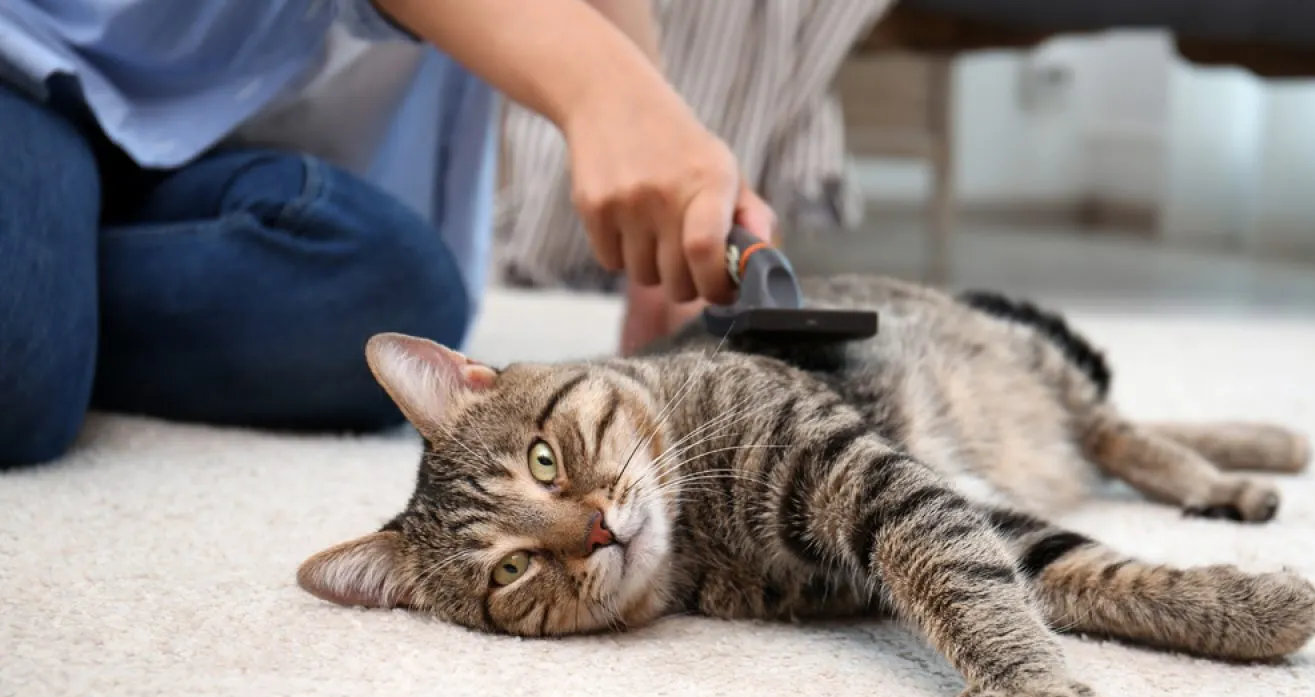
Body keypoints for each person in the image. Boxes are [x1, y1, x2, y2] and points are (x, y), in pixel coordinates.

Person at [0, 0, 775, 469]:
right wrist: (605, 94)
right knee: (17, 365)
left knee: (399, 297)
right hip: (24, 61)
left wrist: (665, 187)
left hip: (201, 135)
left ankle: (50, 269)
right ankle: (39, 292)